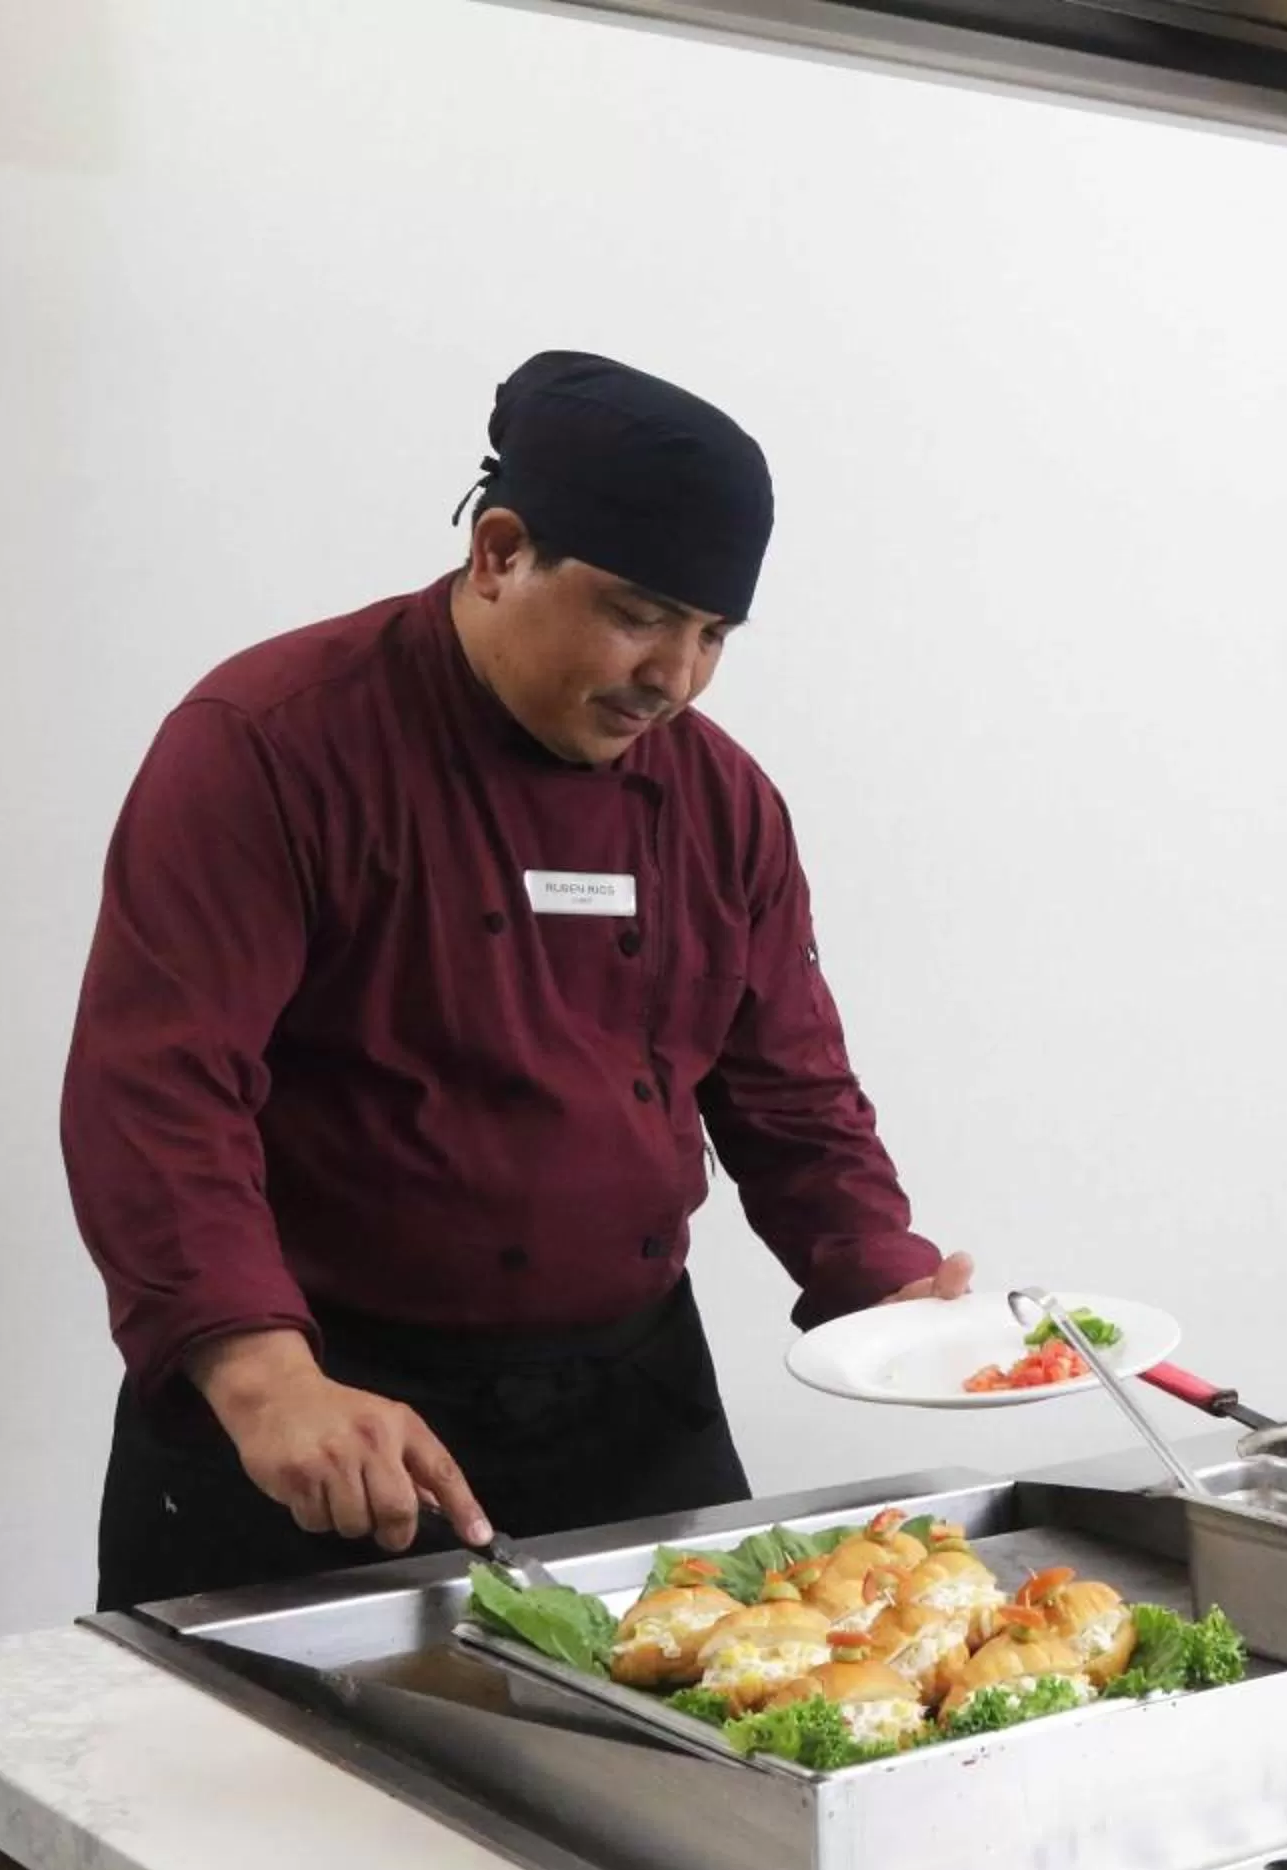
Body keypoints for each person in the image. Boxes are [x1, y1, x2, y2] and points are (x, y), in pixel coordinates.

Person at [64, 351, 971, 1610]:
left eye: (714, 635)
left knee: (683, 1790)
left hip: (629, 1413)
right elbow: (159, 1093)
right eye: (642, 614)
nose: (678, 678)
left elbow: (791, 1090)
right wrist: (267, 1384)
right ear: (499, 551)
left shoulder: (722, 800)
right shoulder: (269, 744)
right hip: (335, 1412)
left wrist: (889, 1281)